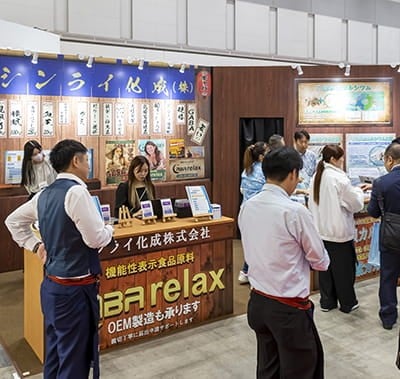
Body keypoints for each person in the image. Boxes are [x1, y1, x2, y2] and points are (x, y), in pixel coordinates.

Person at [5, 139, 114, 378]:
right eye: (86, 160)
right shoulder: (76, 192)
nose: (88, 166)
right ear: (76, 161)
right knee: (75, 360)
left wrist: (35, 245)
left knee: (55, 354)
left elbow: (12, 221)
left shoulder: (44, 194)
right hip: (75, 291)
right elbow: (95, 239)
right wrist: (109, 230)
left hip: (52, 288)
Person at [238, 146, 330, 379]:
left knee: (268, 368)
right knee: (301, 369)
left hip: (258, 302)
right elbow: (320, 261)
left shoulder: (248, 206)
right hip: (288, 309)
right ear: (292, 174)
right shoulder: (294, 211)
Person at [308, 145, 364, 313]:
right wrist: (358, 192)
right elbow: (355, 204)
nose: (343, 161)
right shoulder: (339, 179)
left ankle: (327, 302)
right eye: (341, 158)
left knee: (326, 270)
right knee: (344, 272)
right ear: (333, 159)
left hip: (321, 232)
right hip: (339, 234)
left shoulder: (317, 175)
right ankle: (347, 303)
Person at [367, 142, 400, 330]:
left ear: (389, 159)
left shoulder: (381, 183)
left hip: (391, 237)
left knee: (388, 277)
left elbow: (373, 212)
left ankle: (388, 317)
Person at [238, 141, 268, 284]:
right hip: (259, 213)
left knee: (251, 244)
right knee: (260, 245)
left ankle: (245, 271)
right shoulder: (265, 171)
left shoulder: (247, 170)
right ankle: (256, 277)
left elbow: (242, 191)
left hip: (245, 212)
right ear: (262, 157)